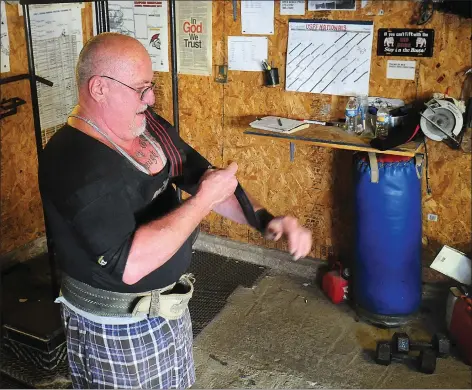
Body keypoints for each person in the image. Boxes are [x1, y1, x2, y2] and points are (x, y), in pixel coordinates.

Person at [38, 32, 312, 389]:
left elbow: (203, 178)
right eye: (140, 89)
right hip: (117, 329)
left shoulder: (146, 124)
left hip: (167, 307)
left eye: (150, 86)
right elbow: (130, 264)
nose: (150, 98)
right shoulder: (75, 163)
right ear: (99, 88)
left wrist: (267, 220)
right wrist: (203, 202)